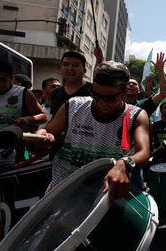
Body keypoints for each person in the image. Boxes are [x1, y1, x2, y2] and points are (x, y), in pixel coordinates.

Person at [28, 61, 150, 205]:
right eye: (96, 95)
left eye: (109, 98)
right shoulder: (73, 106)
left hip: (101, 198)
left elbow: (144, 153)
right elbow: (41, 140)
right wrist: (39, 138)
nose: (101, 102)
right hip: (61, 193)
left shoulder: (136, 116)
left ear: (124, 93)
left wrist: (125, 163)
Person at [0, 60, 47, 244]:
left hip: (10, 156)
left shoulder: (22, 94)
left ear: (11, 79)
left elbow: (42, 116)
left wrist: (27, 118)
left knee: (7, 201)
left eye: (1, 80)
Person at [124, 52, 166, 116]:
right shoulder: (114, 104)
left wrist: (160, 71)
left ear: (139, 90)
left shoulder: (143, 105)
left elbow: (163, 93)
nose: (131, 85)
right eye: (128, 83)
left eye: (134, 84)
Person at [50, 51, 92, 117]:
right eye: (66, 64)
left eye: (75, 65)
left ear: (84, 71)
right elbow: (54, 119)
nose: (70, 68)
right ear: (60, 69)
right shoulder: (55, 93)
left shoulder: (93, 91)